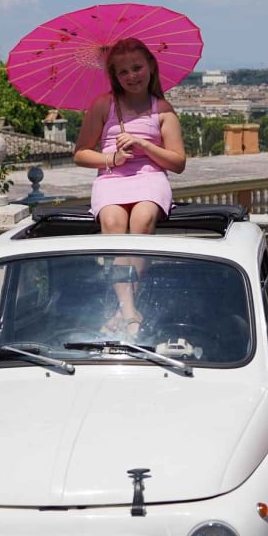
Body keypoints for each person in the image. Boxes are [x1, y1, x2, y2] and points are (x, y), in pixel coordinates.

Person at [74, 37, 187, 338]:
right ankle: (130, 310)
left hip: (150, 177)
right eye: (123, 72)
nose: (132, 76)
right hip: (112, 178)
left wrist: (143, 144)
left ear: (151, 66)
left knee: (142, 219)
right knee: (112, 222)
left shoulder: (162, 109)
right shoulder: (103, 105)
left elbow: (177, 162)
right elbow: (81, 153)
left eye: (137, 67)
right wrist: (111, 157)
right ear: (115, 76)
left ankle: (122, 310)